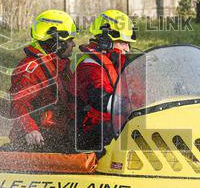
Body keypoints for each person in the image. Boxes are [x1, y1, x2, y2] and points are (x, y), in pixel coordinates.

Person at [8, 10, 77, 152]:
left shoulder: (60, 66)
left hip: (58, 134)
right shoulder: (32, 68)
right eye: (69, 40)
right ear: (56, 42)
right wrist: (30, 129)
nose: (74, 44)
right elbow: (19, 104)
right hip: (38, 139)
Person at [73, 10, 137, 152]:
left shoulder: (116, 62)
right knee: (129, 131)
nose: (127, 48)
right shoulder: (89, 66)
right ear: (105, 41)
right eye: (122, 42)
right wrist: (128, 106)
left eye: (128, 44)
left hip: (109, 123)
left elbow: (136, 88)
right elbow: (99, 97)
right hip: (88, 131)